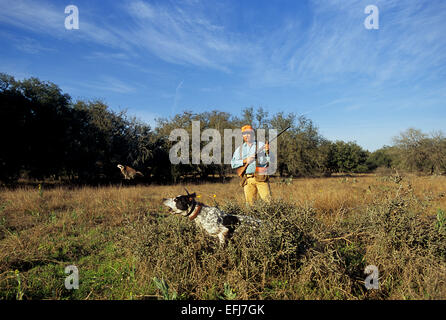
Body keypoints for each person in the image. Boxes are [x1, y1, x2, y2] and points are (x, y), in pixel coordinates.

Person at [231, 125, 272, 206]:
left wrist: (267, 152)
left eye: (248, 133)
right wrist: (245, 160)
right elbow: (233, 163)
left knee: (268, 203)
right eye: (244, 134)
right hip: (248, 179)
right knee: (250, 205)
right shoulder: (240, 149)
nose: (246, 135)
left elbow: (270, 161)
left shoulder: (261, 145)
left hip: (261, 178)